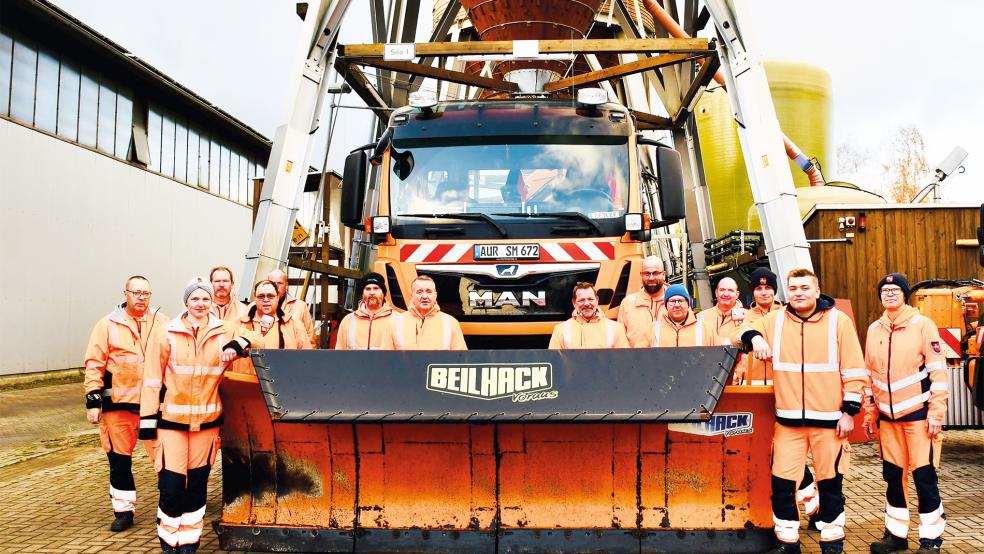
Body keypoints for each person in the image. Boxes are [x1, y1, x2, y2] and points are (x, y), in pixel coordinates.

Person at [742, 268, 868, 554]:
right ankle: (788, 543)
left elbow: (854, 369)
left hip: (830, 422)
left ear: (816, 289)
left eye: (804, 288)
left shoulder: (838, 321)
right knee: (783, 486)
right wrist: (754, 336)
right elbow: (739, 332)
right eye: (793, 288)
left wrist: (850, 411)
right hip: (788, 424)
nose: (798, 293)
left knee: (831, 485)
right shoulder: (775, 321)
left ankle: (832, 542)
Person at [139, 278, 250, 554]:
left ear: (212, 302)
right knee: (171, 487)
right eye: (195, 299)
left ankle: (189, 544)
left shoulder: (223, 330)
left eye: (205, 299)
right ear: (186, 302)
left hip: (207, 426)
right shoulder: (166, 333)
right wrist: (147, 424)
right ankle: (169, 542)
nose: (200, 304)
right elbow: (151, 381)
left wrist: (239, 344)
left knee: (197, 487)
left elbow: (255, 334)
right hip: (171, 424)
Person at [864, 273, 948, 554]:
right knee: (892, 479)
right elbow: (868, 376)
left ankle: (931, 539)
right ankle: (896, 536)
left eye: (895, 290)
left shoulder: (923, 325)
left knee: (924, 479)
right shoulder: (874, 328)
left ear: (904, 294)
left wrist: (936, 413)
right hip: (888, 421)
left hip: (919, 419)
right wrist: (869, 413)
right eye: (885, 291)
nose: (889, 294)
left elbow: (938, 372)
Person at [732, 267, 821, 529]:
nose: (763, 292)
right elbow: (737, 340)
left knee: (785, 456)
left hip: (784, 394)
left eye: (767, 288)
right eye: (758, 289)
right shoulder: (745, 318)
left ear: (774, 291)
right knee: (766, 455)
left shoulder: (787, 315)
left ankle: (813, 506)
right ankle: (800, 506)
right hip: (753, 396)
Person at [83, 275, 169, 532]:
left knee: (164, 460)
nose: (141, 297)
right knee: (119, 461)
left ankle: (167, 509)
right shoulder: (107, 324)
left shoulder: (162, 322)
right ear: (126, 294)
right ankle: (123, 511)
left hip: (153, 406)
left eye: (146, 293)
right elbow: (94, 363)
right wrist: (92, 400)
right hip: (118, 406)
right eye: (136, 292)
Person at [378, 275, 467, 350]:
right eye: (419, 292)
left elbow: (461, 361)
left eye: (429, 291)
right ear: (412, 296)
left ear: (435, 295)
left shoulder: (451, 323)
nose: (424, 296)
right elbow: (384, 361)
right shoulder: (394, 323)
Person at [235, 280, 312, 351]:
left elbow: (307, 358)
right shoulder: (239, 324)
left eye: (270, 296)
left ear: (278, 297)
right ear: (255, 297)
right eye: (261, 296)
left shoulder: (294, 324)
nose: (266, 300)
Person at [549, 282, 629, 349]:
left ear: (597, 300)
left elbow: (623, 361)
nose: (587, 303)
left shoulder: (616, 328)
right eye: (581, 300)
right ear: (574, 303)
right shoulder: (560, 330)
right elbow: (554, 362)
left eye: (590, 299)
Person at [335, 272, 395, 350]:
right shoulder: (348, 321)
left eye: (376, 288)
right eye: (368, 289)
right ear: (362, 294)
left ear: (383, 293)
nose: (372, 293)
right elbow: (339, 354)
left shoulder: (397, 320)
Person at [617, 256, 667, 347]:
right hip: (636, 360)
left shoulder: (676, 302)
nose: (651, 278)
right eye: (647, 274)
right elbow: (620, 340)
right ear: (641, 275)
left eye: (655, 273)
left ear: (664, 274)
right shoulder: (627, 303)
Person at [267, 268, 316, 348]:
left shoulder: (300, 306)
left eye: (280, 283)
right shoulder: (256, 307)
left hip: (293, 357)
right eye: (272, 283)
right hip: (265, 357)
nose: (276, 286)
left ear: (286, 286)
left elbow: (310, 339)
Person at [698, 277, 745, 346]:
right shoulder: (701, 317)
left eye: (730, 290)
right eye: (722, 290)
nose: (726, 294)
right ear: (716, 293)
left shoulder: (747, 316)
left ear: (737, 295)